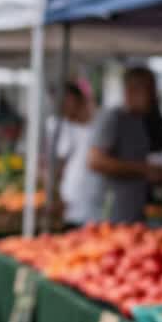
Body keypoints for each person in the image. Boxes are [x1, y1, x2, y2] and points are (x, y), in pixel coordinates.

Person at [86, 67, 162, 223]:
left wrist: (160, 173)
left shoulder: (140, 121)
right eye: (149, 90)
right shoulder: (113, 118)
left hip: (132, 215)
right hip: (109, 218)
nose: (153, 96)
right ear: (131, 90)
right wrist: (145, 170)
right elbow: (95, 161)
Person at [50, 81, 97, 227]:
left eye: (66, 100)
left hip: (95, 199)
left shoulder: (98, 126)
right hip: (71, 199)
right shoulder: (62, 128)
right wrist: (56, 196)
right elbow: (57, 167)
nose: (62, 106)